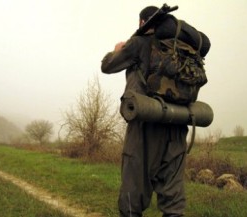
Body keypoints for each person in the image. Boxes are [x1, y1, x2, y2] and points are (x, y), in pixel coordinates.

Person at [101, 6, 188, 217]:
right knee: (173, 196)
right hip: (178, 123)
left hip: (145, 124)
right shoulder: (181, 49)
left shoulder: (139, 43)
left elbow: (107, 66)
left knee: (133, 188)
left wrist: (117, 49)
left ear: (143, 23)